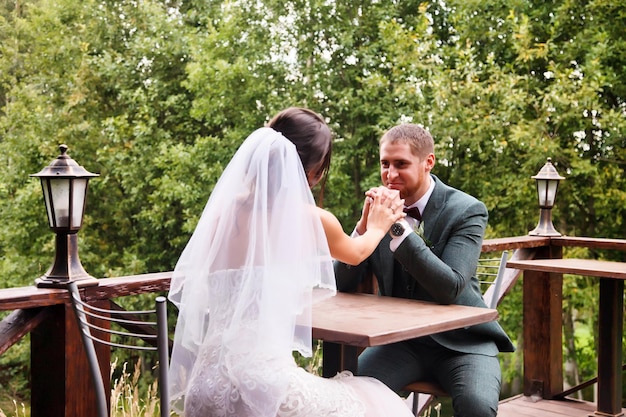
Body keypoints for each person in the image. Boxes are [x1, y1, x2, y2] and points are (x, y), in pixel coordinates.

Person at [168, 107, 414, 417]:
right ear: (310, 171)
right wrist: (380, 224)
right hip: (260, 390)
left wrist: (366, 227)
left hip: (204, 386)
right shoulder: (310, 218)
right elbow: (355, 253)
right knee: (380, 401)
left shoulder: (223, 212)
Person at [334, 123, 515, 417]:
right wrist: (363, 228)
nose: (390, 175)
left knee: (477, 407)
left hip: (463, 343)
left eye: (401, 164)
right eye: (385, 164)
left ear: (427, 162)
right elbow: (342, 282)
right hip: (400, 343)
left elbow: (450, 286)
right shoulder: (381, 211)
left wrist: (395, 228)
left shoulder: (467, 210)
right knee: (347, 399)